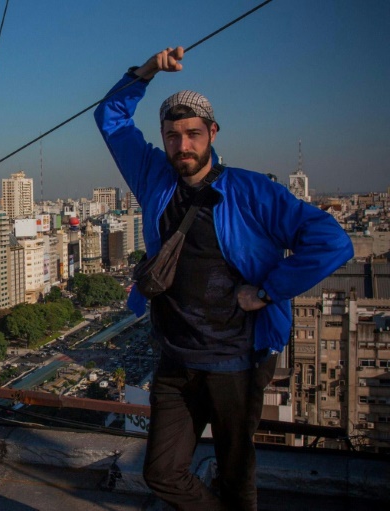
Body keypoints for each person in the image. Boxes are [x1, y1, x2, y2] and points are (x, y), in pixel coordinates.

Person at [94, 47, 353, 510]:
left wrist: (269, 289)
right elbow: (111, 117)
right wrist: (149, 69)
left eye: (193, 134)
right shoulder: (155, 178)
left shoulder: (252, 192)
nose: (183, 146)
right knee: (162, 472)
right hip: (176, 359)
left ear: (212, 133)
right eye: (172, 136)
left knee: (236, 473)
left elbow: (334, 242)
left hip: (237, 360)